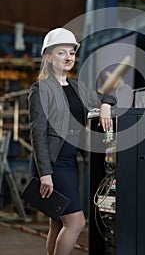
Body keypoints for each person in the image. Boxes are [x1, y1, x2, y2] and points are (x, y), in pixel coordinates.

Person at [28, 27, 117, 255]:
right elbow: (37, 134)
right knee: (76, 222)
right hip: (51, 164)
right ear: (48, 56)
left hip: (69, 162)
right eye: (61, 53)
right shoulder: (41, 90)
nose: (68, 57)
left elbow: (108, 95)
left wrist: (105, 106)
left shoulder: (77, 87)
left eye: (71, 53)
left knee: (57, 222)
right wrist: (45, 173)